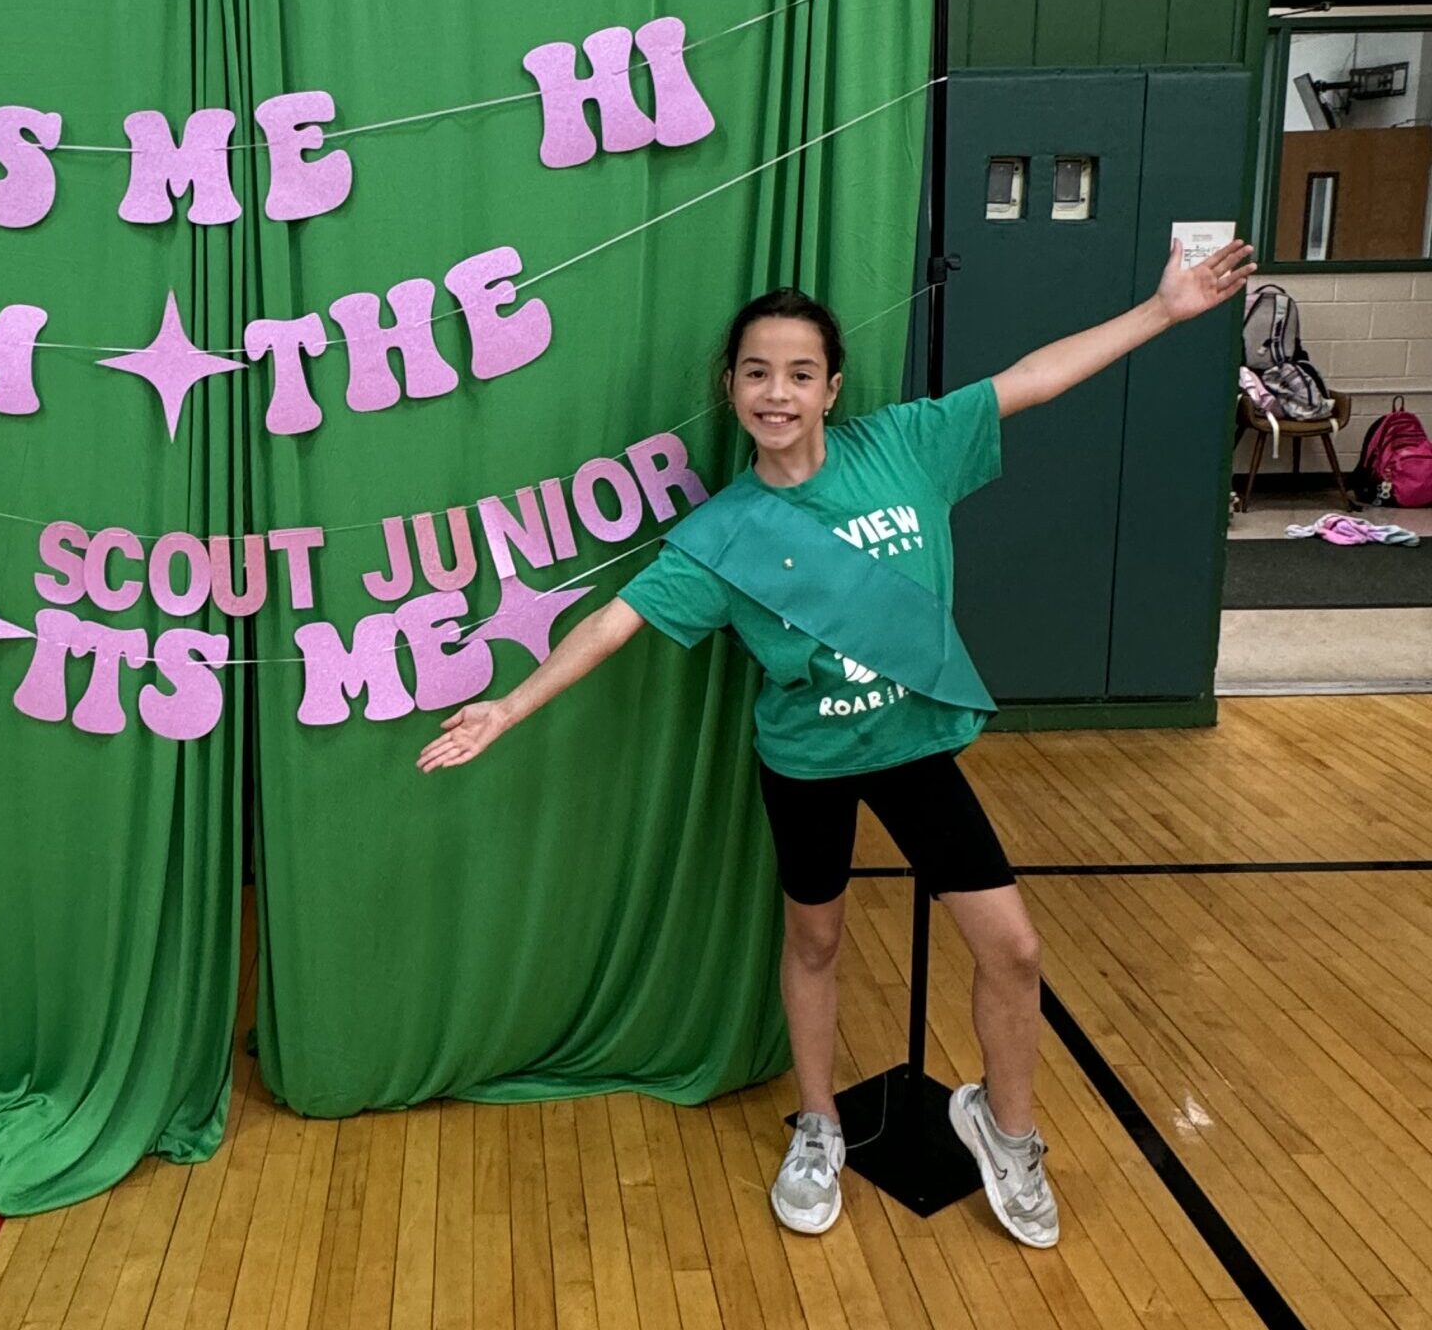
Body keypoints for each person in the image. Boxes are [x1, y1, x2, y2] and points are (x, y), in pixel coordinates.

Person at [417, 239, 1256, 1248]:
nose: (778, 392)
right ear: (731, 388)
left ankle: (1008, 1125)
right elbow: (614, 621)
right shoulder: (722, 535)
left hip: (912, 746)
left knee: (1016, 948)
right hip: (808, 760)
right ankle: (818, 1127)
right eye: (758, 373)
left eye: (800, 374)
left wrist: (1164, 310)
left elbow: (1034, 378)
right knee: (816, 940)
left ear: (831, 387)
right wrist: (509, 707)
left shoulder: (907, 444)